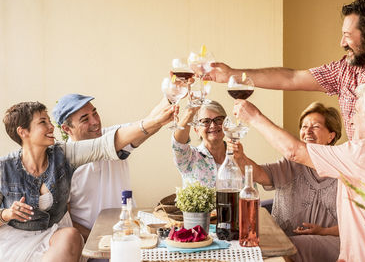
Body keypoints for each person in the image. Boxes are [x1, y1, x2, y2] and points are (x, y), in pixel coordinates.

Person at [232, 82, 365, 262]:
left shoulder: (362, 152)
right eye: (304, 127)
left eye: (357, 112)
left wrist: (254, 117)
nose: (351, 120)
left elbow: (294, 151)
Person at [0, 100, 174, 262]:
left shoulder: (64, 154)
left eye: (49, 121)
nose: (51, 127)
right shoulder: (3, 168)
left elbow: (104, 144)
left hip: (56, 236)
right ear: (23, 132)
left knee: (71, 235)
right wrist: (6, 214)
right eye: (42, 122)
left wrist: (155, 121)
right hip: (17, 240)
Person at [208, 0, 365, 139]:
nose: (342, 42)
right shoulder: (344, 70)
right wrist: (231, 75)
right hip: (354, 180)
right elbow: (291, 78)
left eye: (348, 35)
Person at [229, 102, 341, 262]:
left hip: (329, 242)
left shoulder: (343, 169)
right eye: (304, 126)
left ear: (331, 135)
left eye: (315, 126)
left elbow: (355, 225)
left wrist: (323, 231)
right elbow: (260, 174)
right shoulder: (291, 164)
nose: (307, 131)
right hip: (284, 241)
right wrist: (240, 158)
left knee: (286, 248)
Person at [52, 94, 169, 242]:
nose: (95, 121)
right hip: (92, 245)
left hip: (130, 235)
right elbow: (66, 222)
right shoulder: (62, 162)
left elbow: (148, 123)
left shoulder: (110, 136)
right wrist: (102, 241)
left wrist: (171, 95)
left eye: (95, 113)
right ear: (67, 129)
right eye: (85, 119)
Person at [172, 100, 227, 187]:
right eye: (206, 121)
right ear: (196, 130)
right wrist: (190, 113)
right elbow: (178, 144)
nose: (213, 125)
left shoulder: (239, 157)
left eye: (218, 120)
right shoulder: (189, 157)